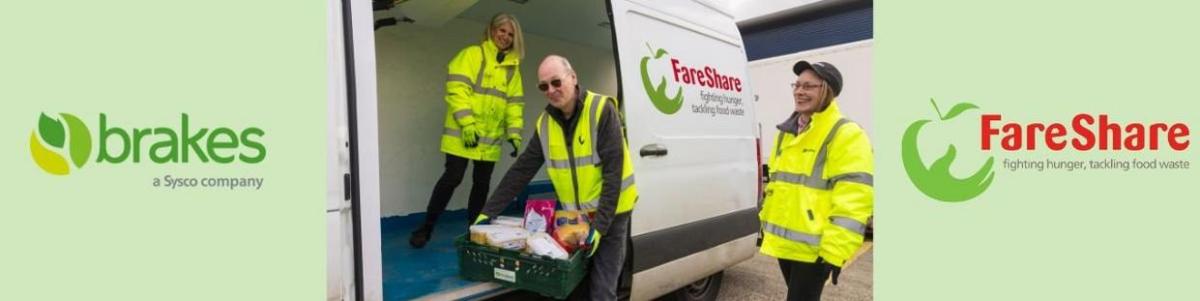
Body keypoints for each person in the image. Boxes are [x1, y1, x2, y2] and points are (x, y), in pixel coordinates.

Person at [474, 55, 637, 301]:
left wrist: (600, 227)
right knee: (574, 288)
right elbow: (521, 171)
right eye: (544, 86)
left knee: (602, 291)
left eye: (556, 82)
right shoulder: (545, 124)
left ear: (573, 78)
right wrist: (489, 211)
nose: (551, 90)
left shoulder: (602, 110)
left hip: (612, 216)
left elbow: (613, 174)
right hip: (576, 220)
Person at [410, 13, 527, 248]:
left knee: (481, 183)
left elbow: (514, 104)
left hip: (490, 138)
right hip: (463, 134)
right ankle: (426, 227)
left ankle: (474, 232)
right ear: (491, 30)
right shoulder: (472, 55)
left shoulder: (513, 70)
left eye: (511, 34)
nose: (505, 37)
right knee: (453, 178)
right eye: (502, 31)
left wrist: (514, 133)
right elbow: (457, 90)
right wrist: (467, 124)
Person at [759, 61, 874, 301]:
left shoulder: (846, 134)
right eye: (797, 85)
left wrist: (835, 250)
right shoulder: (786, 132)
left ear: (827, 90)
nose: (799, 92)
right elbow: (778, 187)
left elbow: (854, 199)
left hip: (816, 249)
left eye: (808, 86)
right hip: (787, 244)